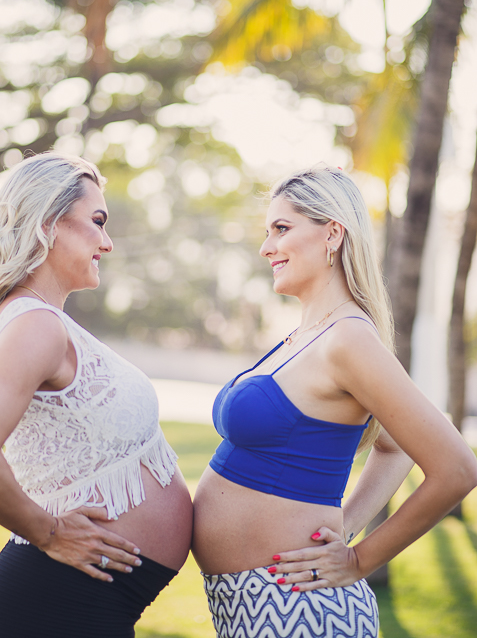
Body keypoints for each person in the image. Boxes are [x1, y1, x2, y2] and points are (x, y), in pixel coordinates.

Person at [192, 166, 477, 638]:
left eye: (282, 229)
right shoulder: (304, 336)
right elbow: (394, 444)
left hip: (299, 607)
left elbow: (458, 468)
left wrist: (357, 557)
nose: (267, 248)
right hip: (251, 602)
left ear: (332, 234)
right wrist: (344, 526)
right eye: (267, 232)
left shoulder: (348, 339)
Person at [0, 153, 193, 638]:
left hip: (79, 601)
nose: (108, 241)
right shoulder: (34, 325)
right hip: (59, 605)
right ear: (48, 225)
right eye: (97, 222)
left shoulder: (31, 321)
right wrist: (50, 531)